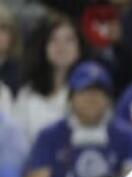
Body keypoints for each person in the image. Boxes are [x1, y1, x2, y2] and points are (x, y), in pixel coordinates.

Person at [21, 61, 132, 177]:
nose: (92, 98)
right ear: (71, 97)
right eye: (85, 91)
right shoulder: (50, 135)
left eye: (98, 91)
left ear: (109, 99)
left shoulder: (125, 136)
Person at [13, 13, 83, 143]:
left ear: (80, 47)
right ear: (44, 46)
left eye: (69, 40)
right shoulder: (27, 94)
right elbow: (15, 141)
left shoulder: (90, 92)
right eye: (53, 39)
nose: (61, 46)